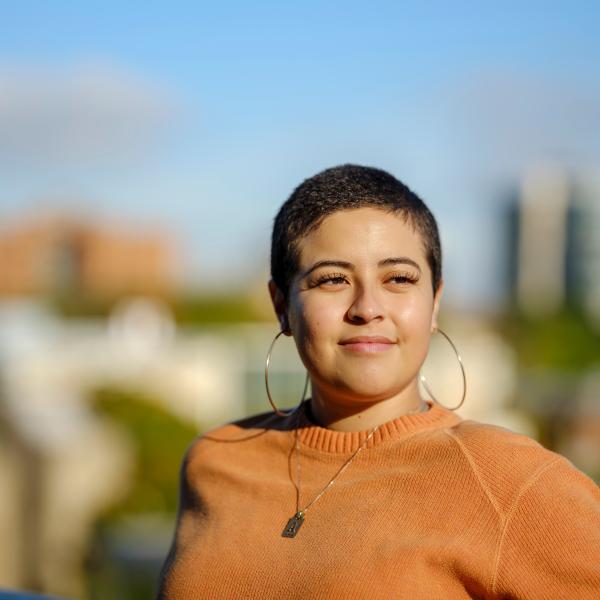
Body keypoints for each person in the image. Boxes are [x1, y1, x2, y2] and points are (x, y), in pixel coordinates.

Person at [157, 165, 600, 599]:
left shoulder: (512, 483)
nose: (368, 307)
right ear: (281, 305)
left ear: (435, 302)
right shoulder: (215, 461)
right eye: (332, 279)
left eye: (399, 279)